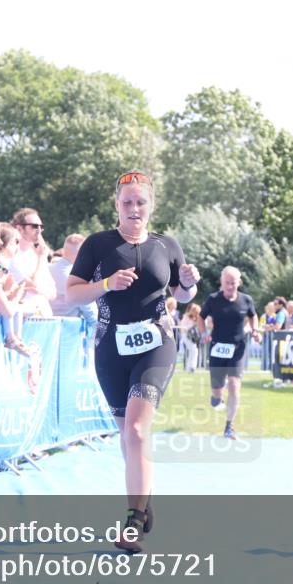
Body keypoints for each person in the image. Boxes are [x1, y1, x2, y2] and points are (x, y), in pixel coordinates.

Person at [65, 170, 199, 553]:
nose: (134, 209)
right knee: (128, 435)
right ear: (116, 206)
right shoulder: (98, 245)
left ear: (151, 205)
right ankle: (144, 496)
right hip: (111, 345)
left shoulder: (166, 244)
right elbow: (73, 294)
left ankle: (133, 522)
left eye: (141, 202)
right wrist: (106, 284)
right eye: (127, 202)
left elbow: (183, 295)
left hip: (156, 342)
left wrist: (189, 281)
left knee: (138, 431)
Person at [198, 266, 260, 440]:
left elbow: (253, 315)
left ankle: (229, 427)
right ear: (222, 282)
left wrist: (255, 330)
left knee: (234, 385)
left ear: (239, 282)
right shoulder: (213, 300)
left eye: (233, 283)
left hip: (238, 349)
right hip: (218, 348)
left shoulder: (246, 300)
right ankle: (216, 398)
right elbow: (201, 317)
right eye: (227, 283)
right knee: (217, 390)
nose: (230, 286)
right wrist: (204, 334)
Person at [10, 207, 57, 313]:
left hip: (43, 314)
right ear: (19, 229)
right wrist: (41, 257)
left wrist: (40, 290)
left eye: (41, 226)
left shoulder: (38, 254)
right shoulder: (12, 256)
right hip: (22, 317)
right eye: (34, 226)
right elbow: (33, 285)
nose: (39, 230)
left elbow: (53, 293)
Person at [50, 233, 98, 327]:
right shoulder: (76, 276)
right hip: (70, 330)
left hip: (49, 327)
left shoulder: (48, 269)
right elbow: (89, 309)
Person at [179, 303, 201, 372]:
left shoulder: (196, 318)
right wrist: (192, 325)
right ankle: (190, 367)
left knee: (194, 351)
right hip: (186, 336)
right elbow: (183, 327)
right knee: (192, 351)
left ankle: (192, 367)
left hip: (193, 337)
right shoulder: (186, 316)